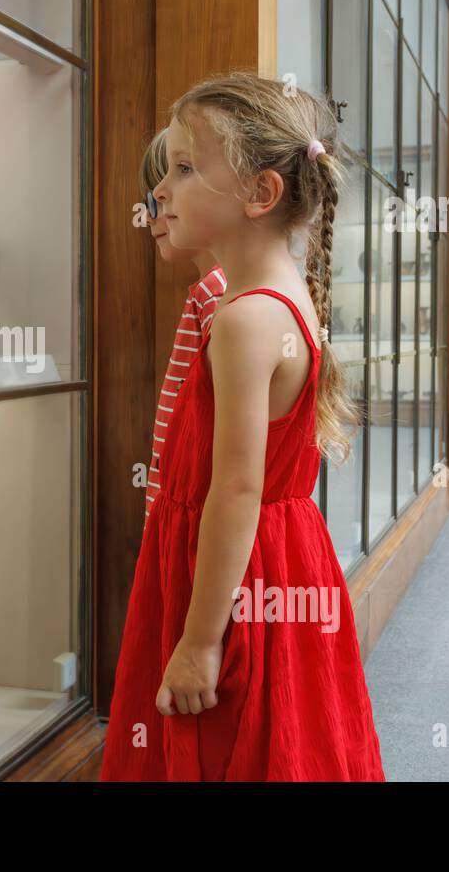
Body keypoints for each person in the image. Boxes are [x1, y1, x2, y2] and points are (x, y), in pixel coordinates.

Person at [101, 71, 386, 781]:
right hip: (272, 561)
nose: (160, 190)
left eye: (184, 168)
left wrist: (201, 640)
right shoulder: (277, 298)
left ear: (261, 193)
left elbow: (235, 489)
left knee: (233, 737)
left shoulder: (245, 319)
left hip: (234, 573)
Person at [136, 128, 227, 533]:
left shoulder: (219, 297)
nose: (150, 214)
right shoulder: (208, 294)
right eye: (149, 200)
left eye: (160, 199)